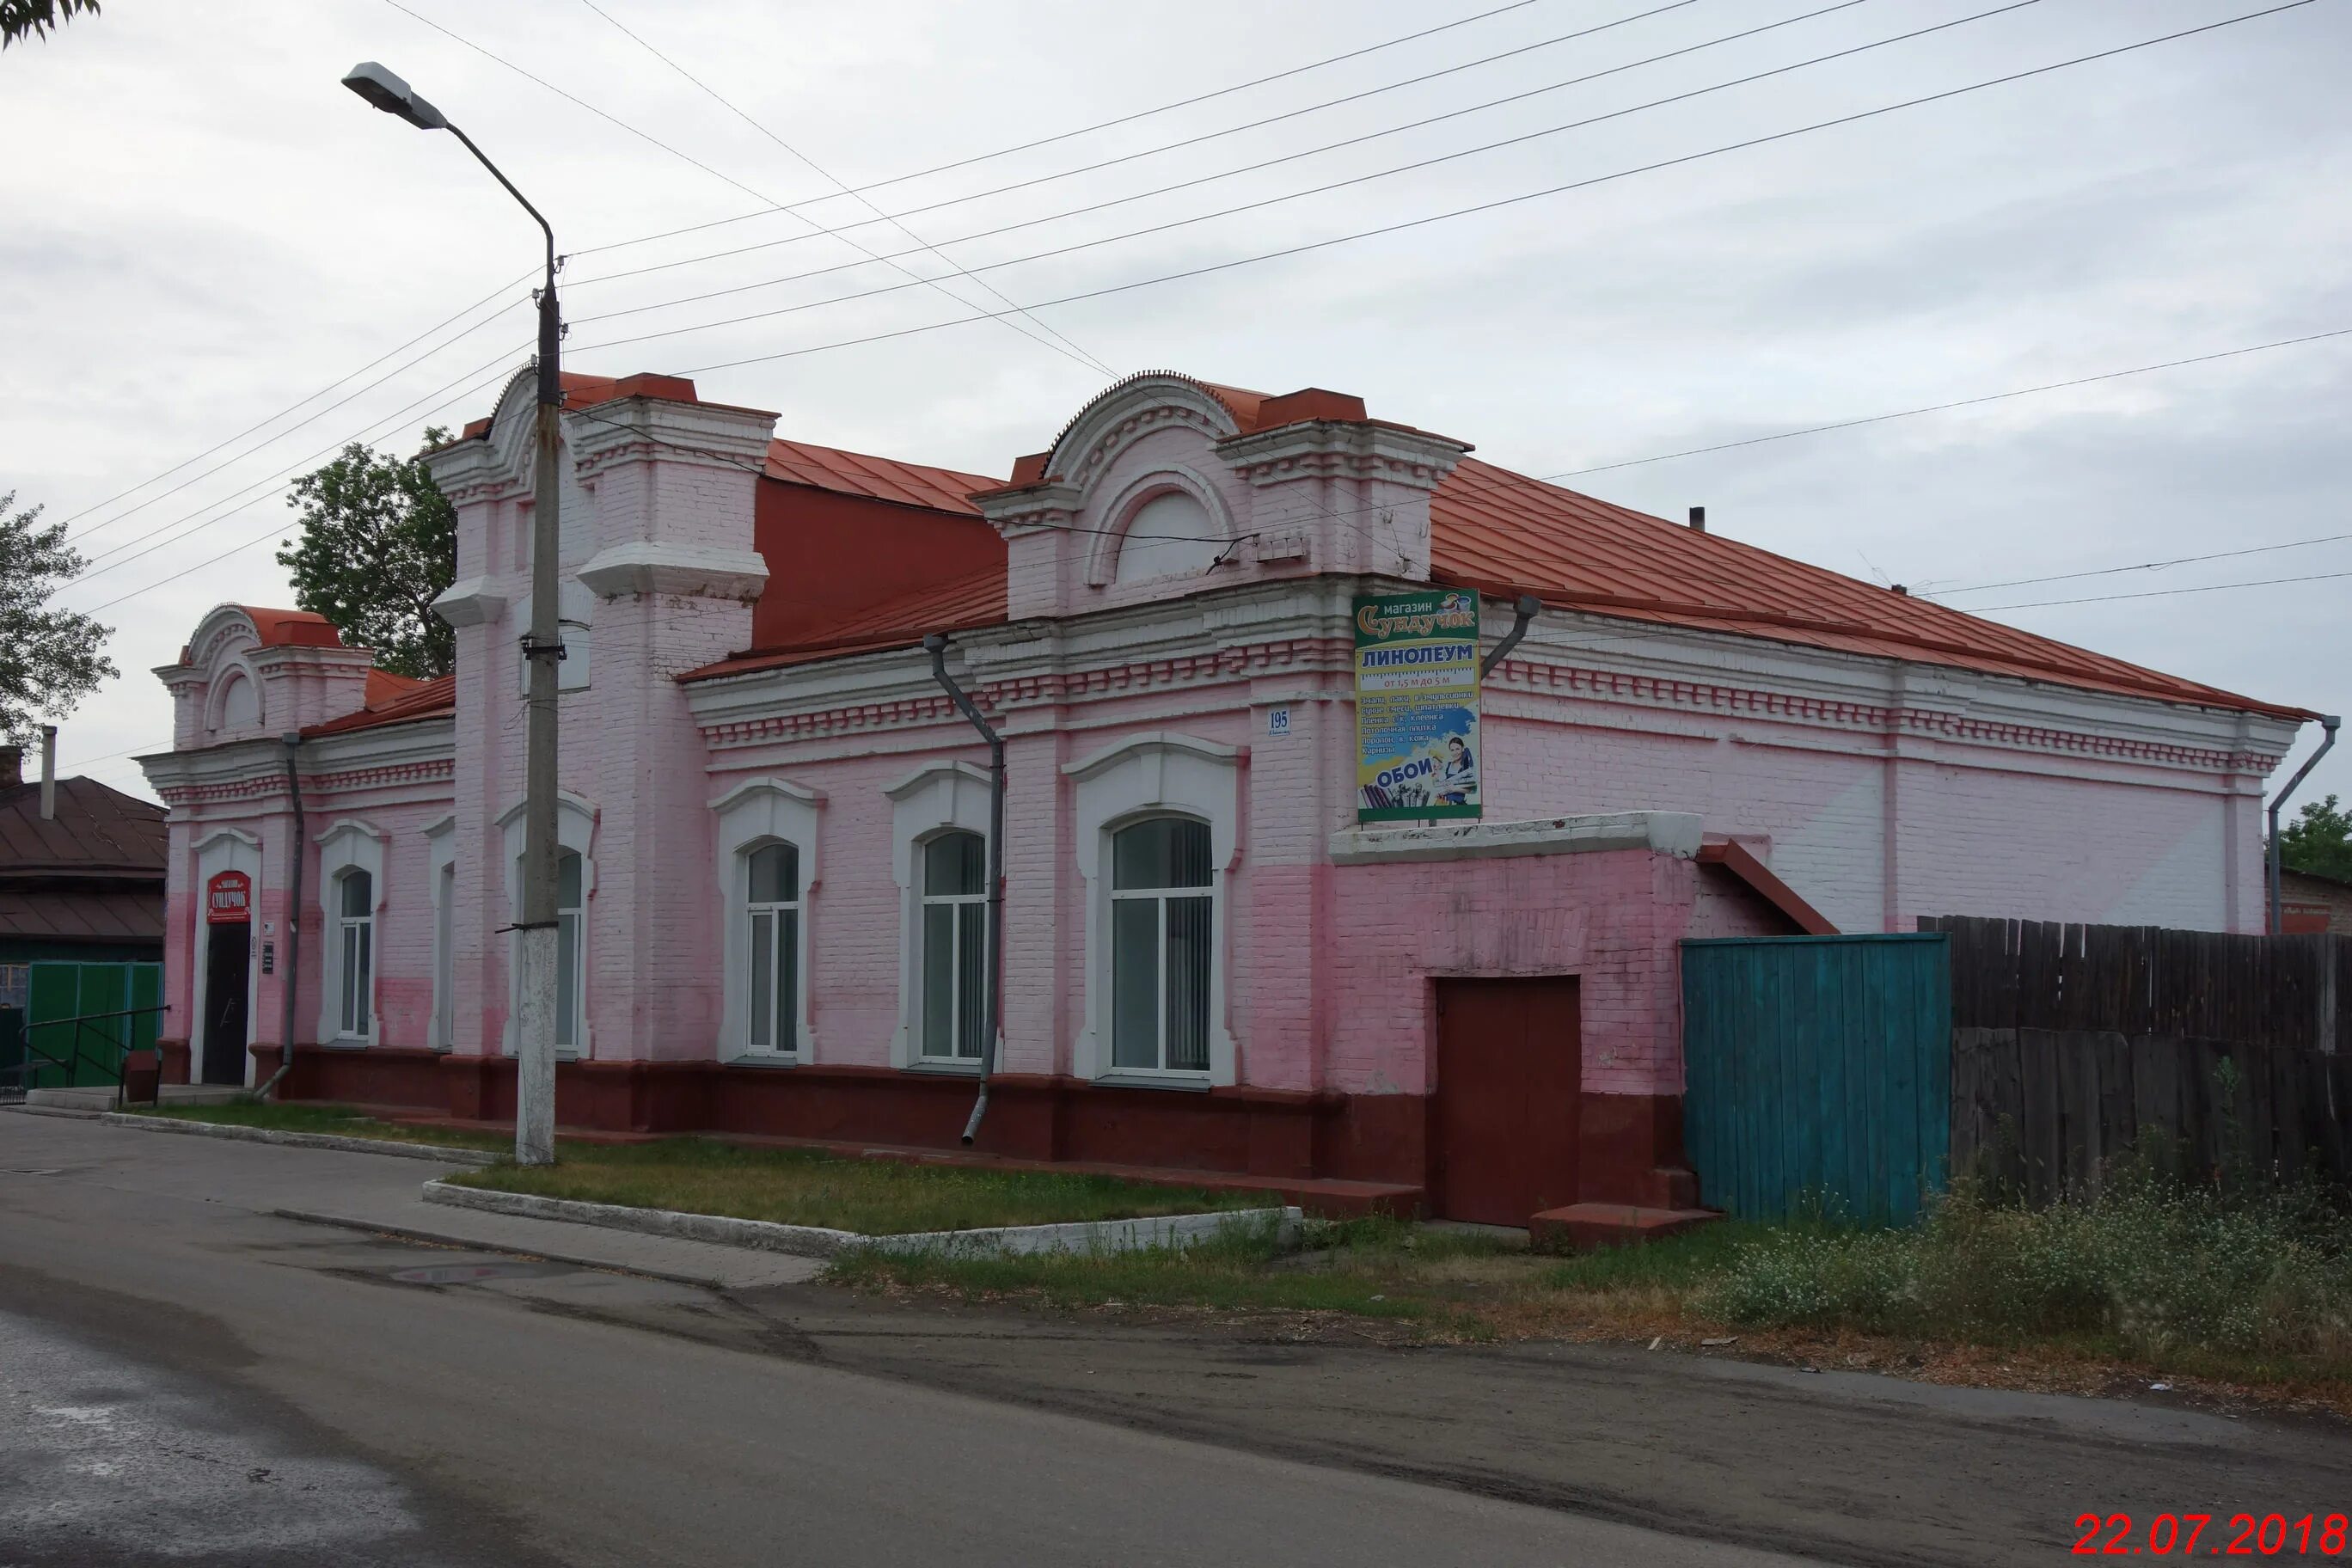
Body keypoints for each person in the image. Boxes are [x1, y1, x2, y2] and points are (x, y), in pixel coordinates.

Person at [1436, 735, 1477, 805]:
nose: (1455, 753)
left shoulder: (1467, 768)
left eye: (1457, 749)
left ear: (1462, 749)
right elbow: (1440, 784)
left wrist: (1456, 789)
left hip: (1458, 805)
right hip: (1443, 803)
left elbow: (1474, 790)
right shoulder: (1447, 766)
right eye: (1452, 750)